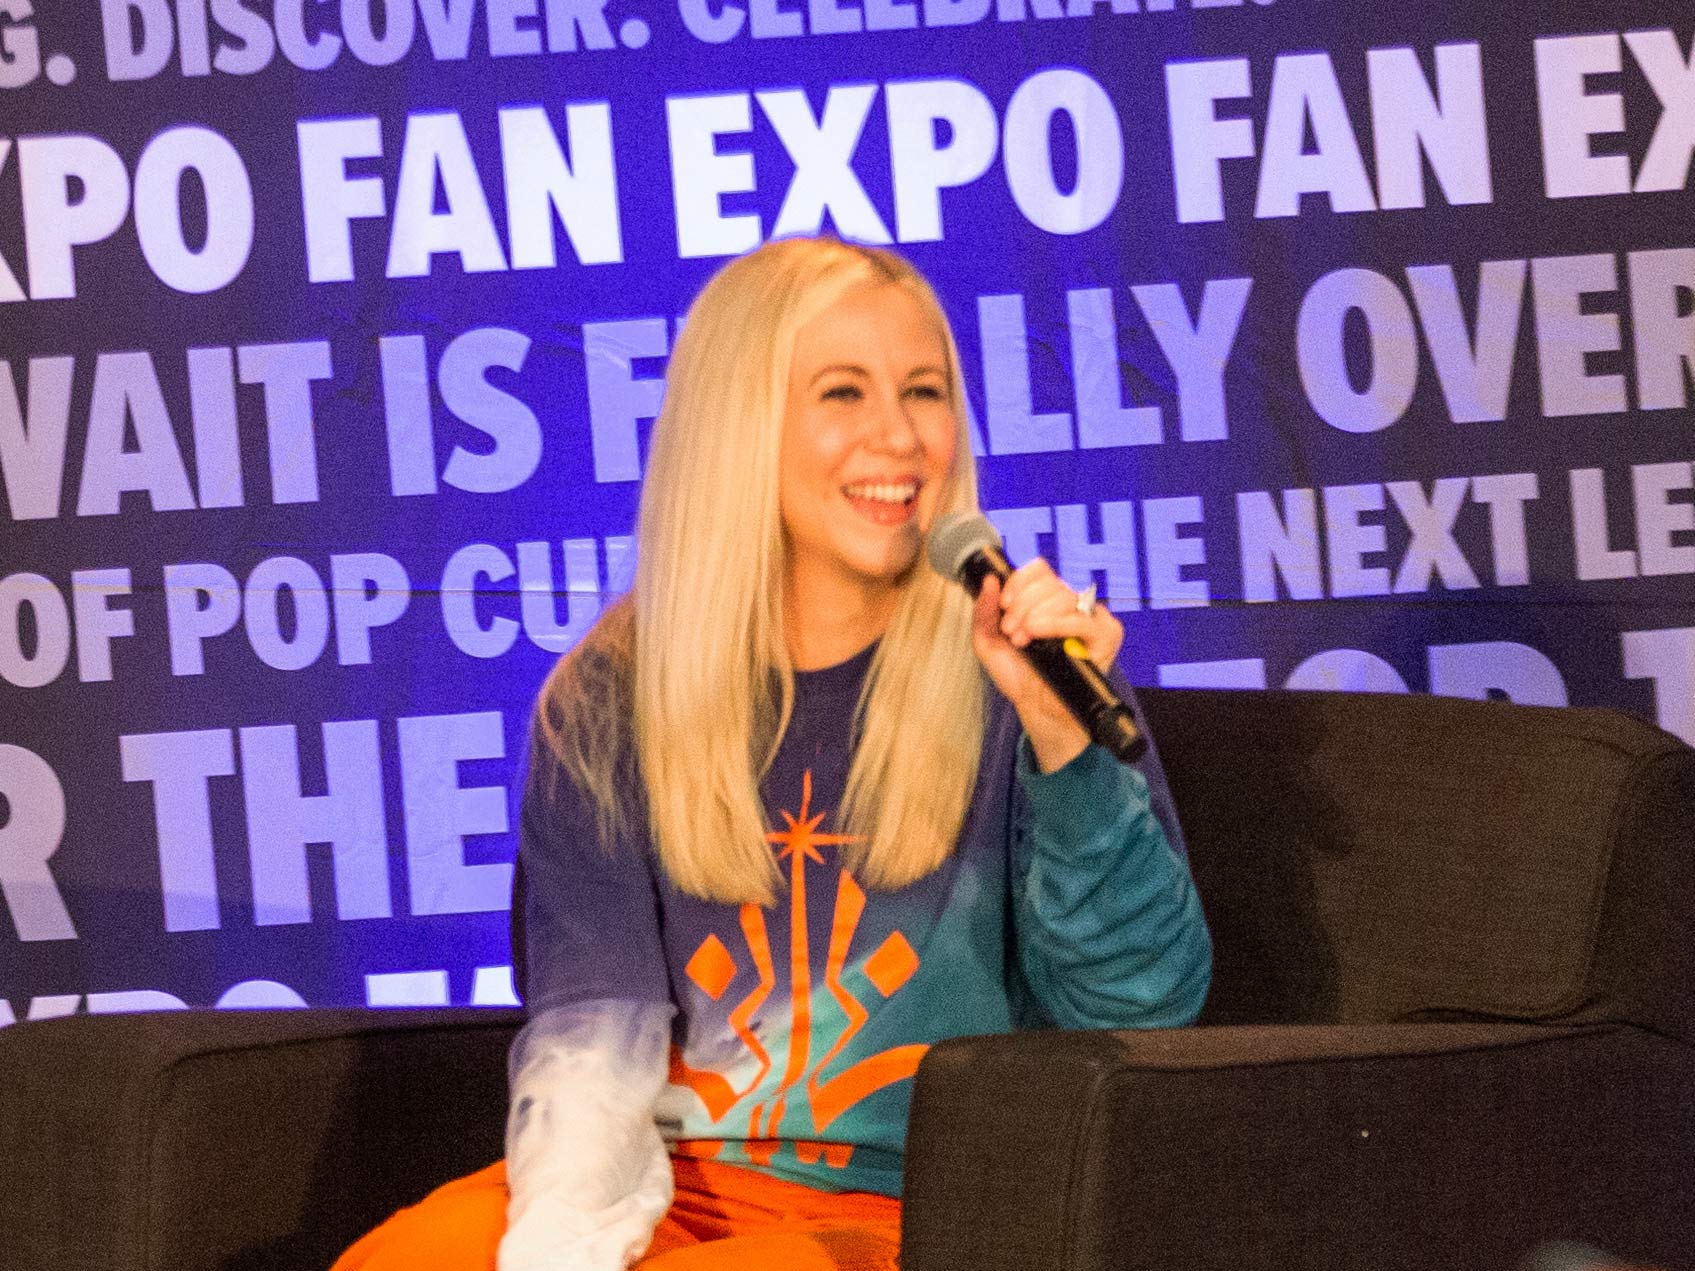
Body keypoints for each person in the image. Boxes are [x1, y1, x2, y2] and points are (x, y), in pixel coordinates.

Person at [331, 235, 1211, 1271]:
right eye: (844, 393)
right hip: (663, 1185)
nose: (901, 437)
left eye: (924, 391)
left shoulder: (1024, 670)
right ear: (738, 426)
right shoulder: (609, 699)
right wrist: (562, 1248)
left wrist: (1068, 745)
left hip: (910, 1207)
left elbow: (1143, 1013)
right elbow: (591, 1037)